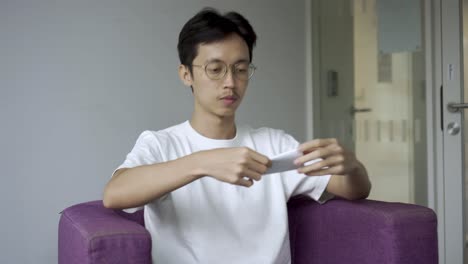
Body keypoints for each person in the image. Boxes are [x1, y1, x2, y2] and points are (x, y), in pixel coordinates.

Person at [103, 7, 371, 264]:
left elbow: (354, 190)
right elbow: (115, 194)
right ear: (186, 74)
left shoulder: (273, 143)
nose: (230, 82)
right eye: (215, 69)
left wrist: (353, 168)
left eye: (240, 69)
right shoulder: (162, 144)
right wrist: (203, 162)